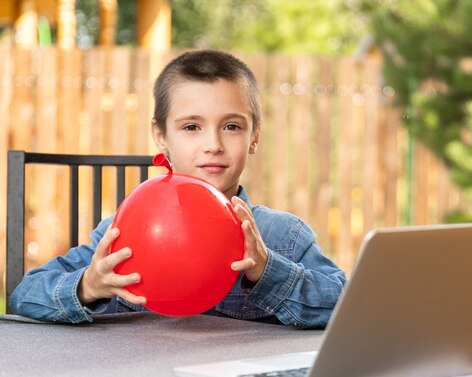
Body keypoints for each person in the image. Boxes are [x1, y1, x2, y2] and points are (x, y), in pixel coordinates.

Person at [10, 50, 347, 328]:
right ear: (161, 136)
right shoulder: (122, 233)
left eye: (231, 126)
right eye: (191, 127)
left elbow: (348, 306)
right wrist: (87, 285)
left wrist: (267, 271)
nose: (212, 144)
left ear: (254, 135)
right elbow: (24, 295)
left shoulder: (282, 236)